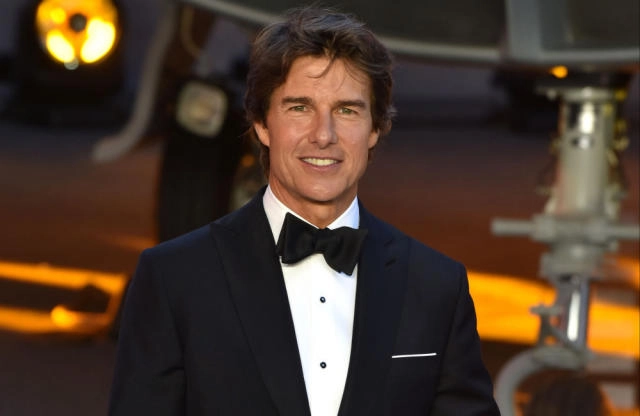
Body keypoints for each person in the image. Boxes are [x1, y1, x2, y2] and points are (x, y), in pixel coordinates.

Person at [109, 6, 500, 416]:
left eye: (346, 110)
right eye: (299, 107)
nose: (323, 135)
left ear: (375, 129)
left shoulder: (436, 286)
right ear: (262, 124)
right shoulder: (175, 279)